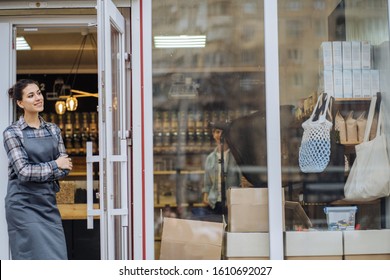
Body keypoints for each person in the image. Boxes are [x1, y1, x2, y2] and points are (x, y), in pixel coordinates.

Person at [3, 79, 73, 260]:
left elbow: (66, 167)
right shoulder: (12, 132)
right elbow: (24, 172)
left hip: (47, 203)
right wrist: (54, 165)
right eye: (31, 95)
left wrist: (54, 167)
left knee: (57, 258)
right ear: (20, 103)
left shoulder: (53, 130)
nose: (38, 98)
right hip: (23, 205)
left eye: (39, 93)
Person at [202, 127, 241, 220]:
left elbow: (241, 182)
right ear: (213, 134)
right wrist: (205, 197)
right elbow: (207, 183)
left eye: (223, 132)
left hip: (232, 203)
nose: (220, 135)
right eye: (217, 132)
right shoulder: (210, 158)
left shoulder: (236, 157)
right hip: (213, 203)